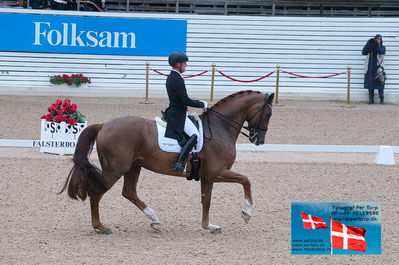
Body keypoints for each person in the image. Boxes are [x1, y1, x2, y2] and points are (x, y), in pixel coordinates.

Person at [164, 51, 207, 172]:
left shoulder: (171, 76)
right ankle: (179, 163)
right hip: (178, 114)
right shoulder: (177, 79)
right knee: (195, 136)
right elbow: (185, 100)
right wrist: (202, 104)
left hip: (175, 110)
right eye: (184, 63)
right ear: (178, 64)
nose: (186, 65)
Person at [362, 34, 386, 104]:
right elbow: (363, 52)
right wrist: (369, 44)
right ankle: (371, 100)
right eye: (376, 39)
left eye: (379, 39)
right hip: (370, 67)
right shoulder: (371, 47)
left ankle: (382, 100)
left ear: (381, 40)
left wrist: (377, 45)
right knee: (370, 84)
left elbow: (381, 51)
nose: (377, 40)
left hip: (378, 68)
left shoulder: (382, 47)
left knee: (380, 84)